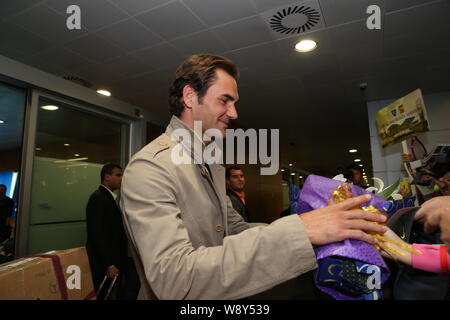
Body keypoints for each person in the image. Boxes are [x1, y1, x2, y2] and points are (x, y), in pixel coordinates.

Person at [120, 54, 387, 300]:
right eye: (225, 100)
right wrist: (301, 231)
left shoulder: (209, 162)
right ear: (190, 96)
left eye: (234, 103)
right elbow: (174, 279)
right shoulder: (150, 168)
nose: (234, 113)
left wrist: (318, 233)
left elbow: (234, 230)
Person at [85, 164, 139, 299]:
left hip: (117, 259)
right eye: (118, 175)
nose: (122, 178)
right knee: (104, 294)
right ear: (107, 177)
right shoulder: (98, 198)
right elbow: (97, 234)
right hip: (106, 263)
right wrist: (108, 264)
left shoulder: (110, 198)